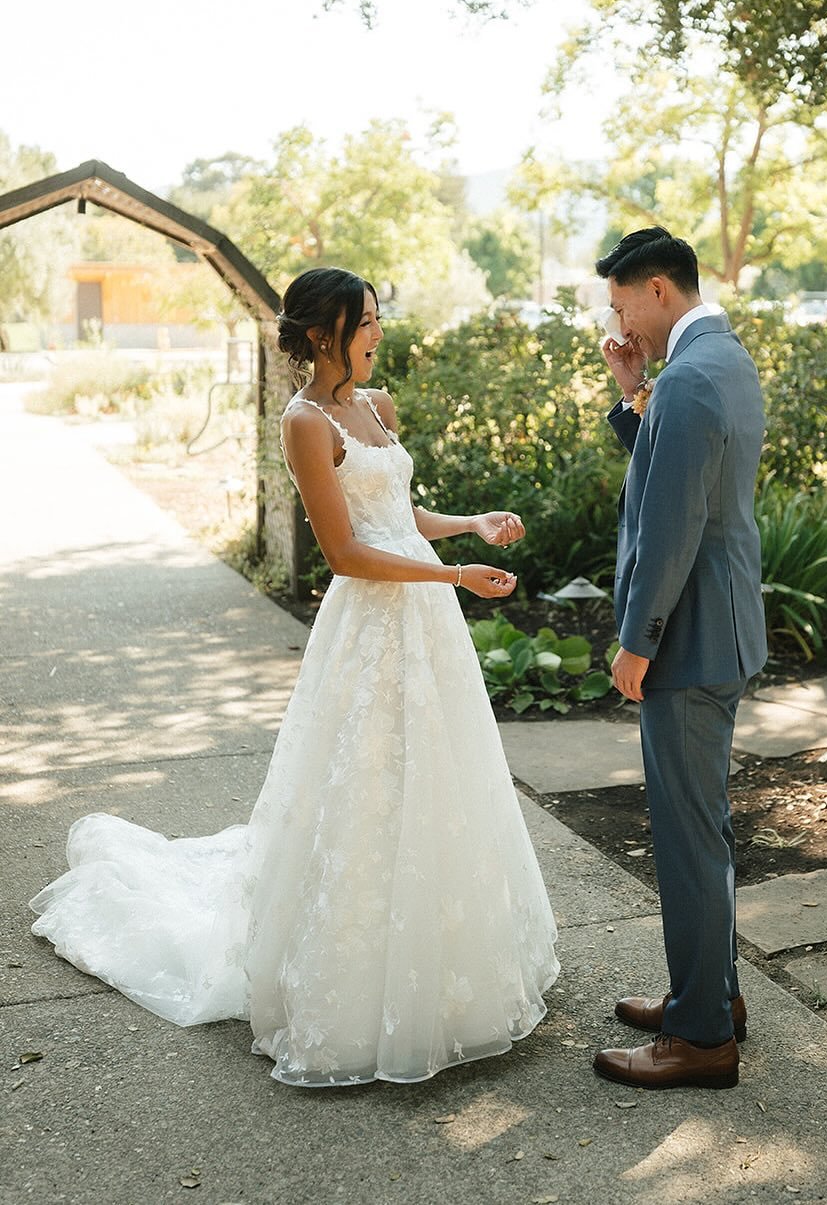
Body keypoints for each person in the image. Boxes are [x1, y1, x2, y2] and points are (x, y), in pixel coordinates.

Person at [30, 266, 559, 1087]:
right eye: (366, 321)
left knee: (439, 782)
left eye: (381, 317)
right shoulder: (304, 421)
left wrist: (469, 524)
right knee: (364, 787)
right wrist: (455, 576)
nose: (379, 332)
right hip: (372, 624)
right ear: (324, 335)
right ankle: (354, 974)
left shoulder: (377, 408)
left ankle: (449, 963)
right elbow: (347, 549)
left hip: (424, 624)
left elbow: (396, 512)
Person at [594, 227, 767, 1090]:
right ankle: (712, 996)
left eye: (624, 304)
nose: (620, 320)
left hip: (689, 638)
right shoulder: (719, 361)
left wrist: (636, 640)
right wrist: (633, 395)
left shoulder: (695, 377)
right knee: (706, 830)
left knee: (688, 839)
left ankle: (700, 1037)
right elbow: (676, 475)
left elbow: (669, 528)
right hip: (718, 630)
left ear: (658, 290)